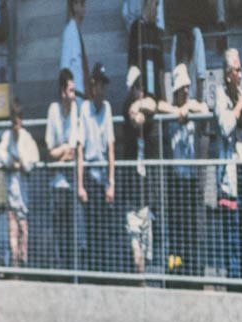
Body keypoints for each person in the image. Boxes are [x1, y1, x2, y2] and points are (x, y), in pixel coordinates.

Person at [211, 47, 242, 285]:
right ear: (228, 73)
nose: (241, 75)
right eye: (237, 70)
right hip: (230, 177)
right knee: (233, 241)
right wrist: (241, 105)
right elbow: (226, 125)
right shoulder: (221, 95)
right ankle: (235, 288)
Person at [119, 64, 163, 276]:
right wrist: (138, 110)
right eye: (138, 86)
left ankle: (142, 281)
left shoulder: (143, 105)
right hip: (131, 189)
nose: (142, 89)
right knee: (135, 245)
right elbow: (134, 118)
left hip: (145, 191)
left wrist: (142, 107)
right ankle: (139, 282)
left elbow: (153, 104)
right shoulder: (125, 108)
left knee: (146, 248)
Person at [165, 63, 208, 278]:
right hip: (176, 179)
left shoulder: (192, 107)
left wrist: (188, 108)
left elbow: (205, 109)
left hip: (190, 179)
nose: (186, 90)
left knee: (192, 229)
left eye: (187, 87)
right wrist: (177, 111)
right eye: (182, 88)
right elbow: (158, 106)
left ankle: (193, 272)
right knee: (177, 228)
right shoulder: (171, 110)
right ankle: (176, 274)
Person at [77, 63, 115, 273]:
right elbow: (80, 148)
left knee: (104, 231)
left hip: (102, 179)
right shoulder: (85, 109)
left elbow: (110, 147)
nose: (101, 90)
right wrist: (80, 184)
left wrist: (111, 183)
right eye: (99, 85)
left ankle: (103, 273)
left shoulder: (107, 108)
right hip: (90, 176)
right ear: (93, 86)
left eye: (104, 85)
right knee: (90, 230)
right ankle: (92, 273)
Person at [45, 67, 82, 271]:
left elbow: (75, 149)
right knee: (58, 230)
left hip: (71, 184)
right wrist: (65, 151)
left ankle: (70, 271)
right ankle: (59, 270)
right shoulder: (53, 110)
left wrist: (66, 151)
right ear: (62, 92)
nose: (74, 95)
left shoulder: (75, 110)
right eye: (70, 91)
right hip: (57, 183)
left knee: (71, 231)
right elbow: (50, 151)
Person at [0, 99, 40, 269]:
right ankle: (14, 263)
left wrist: (21, 162)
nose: (16, 122)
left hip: (23, 194)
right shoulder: (6, 136)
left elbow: (33, 159)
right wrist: (10, 162)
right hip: (11, 193)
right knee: (12, 230)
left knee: (24, 230)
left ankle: (24, 262)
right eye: (14, 118)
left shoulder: (26, 137)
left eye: (19, 118)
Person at [128, 0, 163, 105]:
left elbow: (161, 69)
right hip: (141, 96)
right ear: (149, 2)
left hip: (155, 95)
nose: (157, 10)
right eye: (156, 5)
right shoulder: (136, 28)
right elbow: (132, 65)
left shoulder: (157, 32)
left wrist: (163, 98)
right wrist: (135, 92)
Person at [60, 0, 90, 98]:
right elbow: (64, 68)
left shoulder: (76, 31)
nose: (84, 9)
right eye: (82, 4)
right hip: (74, 95)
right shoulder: (69, 32)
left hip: (82, 94)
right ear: (74, 6)